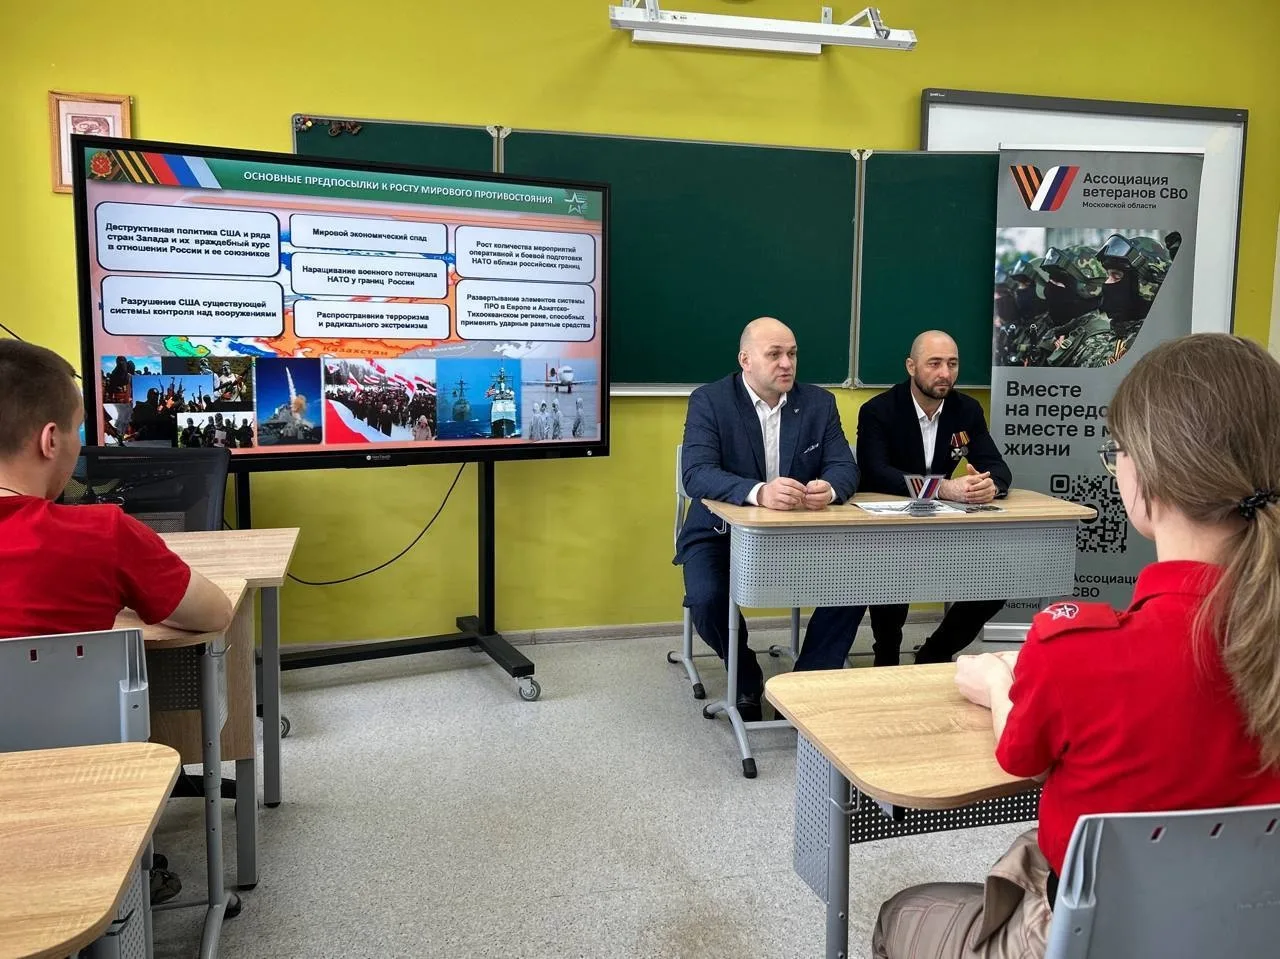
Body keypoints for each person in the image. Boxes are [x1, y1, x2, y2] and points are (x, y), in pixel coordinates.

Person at [873, 333, 1280, 959]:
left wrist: (999, 685)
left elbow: (1019, 755)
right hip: (1252, 933)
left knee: (901, 913)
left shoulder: (1078, 649)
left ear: (1145, 480)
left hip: (1095, 936)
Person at [0, 340, 235, 902]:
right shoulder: (102, 535)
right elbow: (215, 611)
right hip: (81, 789)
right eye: (79, 429)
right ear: (50, 440)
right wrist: (123, 594)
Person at [674, 317, 861, 721]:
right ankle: (744, 673)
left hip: (798, 535)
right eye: (774, 354)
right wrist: (759, 492)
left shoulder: (819, 404)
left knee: (856, 583)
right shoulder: (710, 401)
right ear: (745, 360)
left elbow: (845, 467)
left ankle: (802, 688)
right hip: (719, 533)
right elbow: (697, 473)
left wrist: (828, 489)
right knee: (706, 598)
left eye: (792, 353)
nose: (786, 363)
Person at [855, 331, 1012, 665]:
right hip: (889, 529)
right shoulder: (879, 410)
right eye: (935, 364)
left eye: (952, 364)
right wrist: (939, 488)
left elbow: (998, 467)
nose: (945, 373)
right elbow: (875, 472)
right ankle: (886, 653)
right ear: (911, 367)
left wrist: (990, 485)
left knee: (998, 580)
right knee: (891, 577)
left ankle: (935, 652)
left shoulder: (966, 410)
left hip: (944, 527)